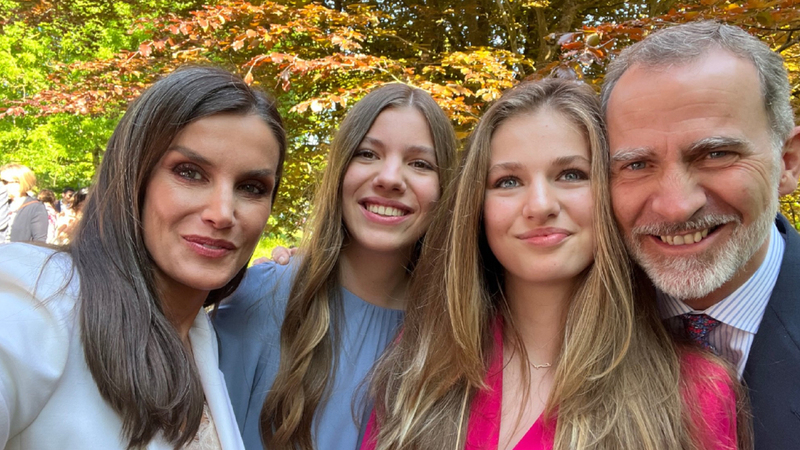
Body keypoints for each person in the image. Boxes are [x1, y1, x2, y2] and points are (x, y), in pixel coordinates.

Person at [362, 79, 746, 450]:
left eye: (571, 175)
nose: (541, 205)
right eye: (508, 181)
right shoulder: (420, 366)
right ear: (477, 207)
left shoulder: (696, 390)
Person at [0, 66, 286, 449]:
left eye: (251, 187)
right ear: (135, 177)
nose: (222, 212)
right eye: (190, 173)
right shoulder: (37, 297)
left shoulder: (203, 338)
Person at [213, 83, 458, 450]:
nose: (390, 178)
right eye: (368, 154)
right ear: (340, 171)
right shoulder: (261, 298)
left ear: (446, 189)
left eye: (419, 163)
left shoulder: (459, 335)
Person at [600, 21, 800, 450]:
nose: (675, 206)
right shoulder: (573, 322)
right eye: (636, 164)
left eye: (715, 154)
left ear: (787, 163)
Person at [0, 163, 48, 243]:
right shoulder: (4, 204)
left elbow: (39, 242)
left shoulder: (35, 207)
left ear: (20, 183)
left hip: (19, 254)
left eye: (4, 182)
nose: (1, 185)